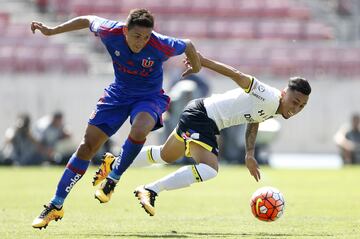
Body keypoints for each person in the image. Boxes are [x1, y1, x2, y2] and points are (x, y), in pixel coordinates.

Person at [31, 8, 201, 229]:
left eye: (146, 37)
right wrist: (52, 31)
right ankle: (56, 205)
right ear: (125, 31)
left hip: (148, 98)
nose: (142, 42)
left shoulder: (160, 44)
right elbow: (86, 19)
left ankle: (113, 178)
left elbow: (187, 44)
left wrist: (195, 65)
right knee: (86, 147)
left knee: (140, 130)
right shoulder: (109, 31)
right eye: (137, 36)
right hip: (117, 95)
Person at [93, 52, 311, 216]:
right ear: (284, 94)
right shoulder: (268, 96)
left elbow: (254, 120)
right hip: (205, 117)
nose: (295, 108)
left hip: (201, 114)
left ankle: (115, 162)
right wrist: (202, 61)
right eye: (294, 102)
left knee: (165, 155)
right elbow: (238, 76)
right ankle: (150, 189)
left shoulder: (274, 107)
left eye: (301, 106)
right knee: (209, 169)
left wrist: (250, 153)